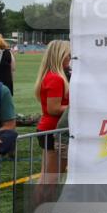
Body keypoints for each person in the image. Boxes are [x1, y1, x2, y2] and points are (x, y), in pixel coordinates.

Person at [35, 39, 70, 183]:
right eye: (68, 55)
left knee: (48, 179)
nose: (71, 58)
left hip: (50, 129)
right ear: (60, 56)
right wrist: (76, 108)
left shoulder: (53, 76)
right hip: (53, 130)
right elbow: (54, 109)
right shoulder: (56, 78)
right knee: (49, 180)